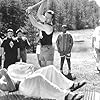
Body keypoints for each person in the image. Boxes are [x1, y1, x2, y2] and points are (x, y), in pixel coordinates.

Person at [0, 63, 86, 100]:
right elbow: (11, 88)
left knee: (50, 69)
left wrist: (24, 66)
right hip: (21, 87)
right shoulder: (1, 80)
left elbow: (22, 72)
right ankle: (66, 96)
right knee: (38, 78)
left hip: (25, 79)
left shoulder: (7, 70)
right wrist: (6, 75)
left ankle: (70, 85)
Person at [26, 0, 54, 67]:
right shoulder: (46, 20)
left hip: (48, 48)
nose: (45, 19)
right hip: (42, 47)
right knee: (43, 67)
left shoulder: (48, 27)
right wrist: (43, 3)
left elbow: (35, 24)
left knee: (48, 69)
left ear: (52, 19)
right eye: (45, 16)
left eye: (48, 18)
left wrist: (29, 13)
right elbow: (39, 14)